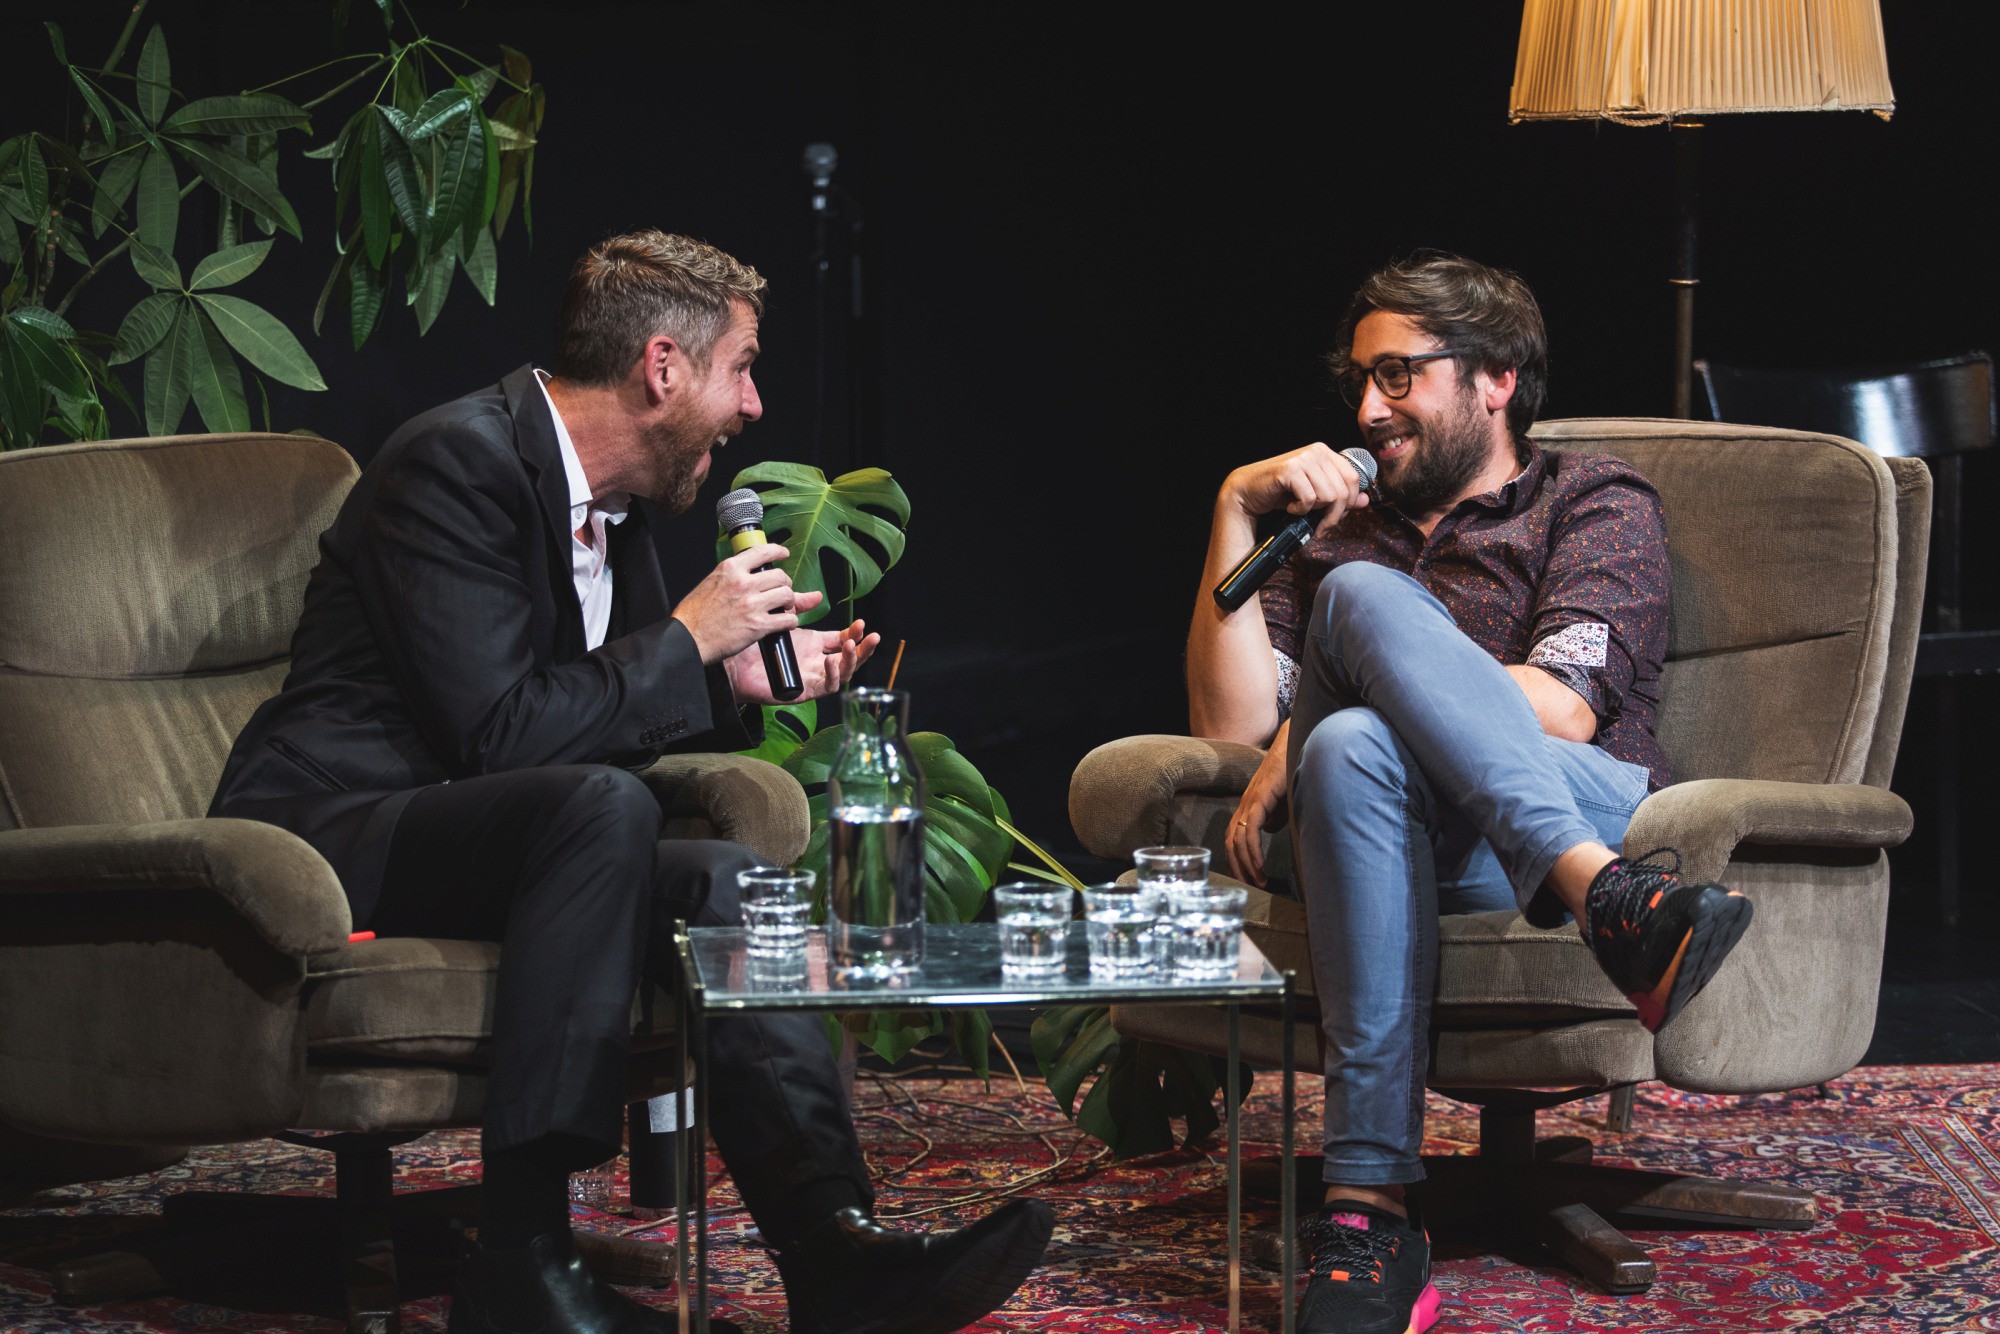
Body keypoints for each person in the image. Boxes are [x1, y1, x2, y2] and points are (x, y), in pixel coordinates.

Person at [211, 230, 1053, 1334]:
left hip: (505, 836)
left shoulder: (619, 516)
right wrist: (687, 638)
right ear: (663, 367)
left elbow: (588, 714)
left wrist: (721, 680)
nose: (753, 405)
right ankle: (520, 1256)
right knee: (601, 804)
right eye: (741, 368)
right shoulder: (453, 462)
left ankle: (836, 1247)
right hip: (330, 834)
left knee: (728, 880)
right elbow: (499, 734)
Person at [1184, 252, 1752, 1334]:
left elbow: (1563, 708)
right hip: (1369, 836)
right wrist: (1233, 509)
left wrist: (1322, 706)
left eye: (1397, 375)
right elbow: (1226, 728)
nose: (1367, 409)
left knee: (1354, 648)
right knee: (1352, 740)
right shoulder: (1333, 526)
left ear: (1496, 378)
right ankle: (1608, 906)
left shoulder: (1593, 501)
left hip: (1560, 799)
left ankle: (1366, 1211)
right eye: (1359, 380)